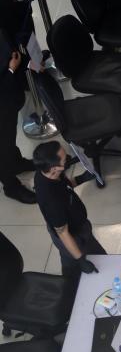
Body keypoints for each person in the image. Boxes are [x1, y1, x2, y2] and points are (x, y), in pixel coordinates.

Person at [32, 141, 106, 284]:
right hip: (72, 235)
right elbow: (63, 233)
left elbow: (64, 186)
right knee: (76, 265)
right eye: (65, 159)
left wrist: (80, 179)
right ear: (54, 168)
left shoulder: (49, 173)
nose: (68, 158)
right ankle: (71, 285)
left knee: (90, 257)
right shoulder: (51, 200)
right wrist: (80, 260)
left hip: (79, 227)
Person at [0, 47, 35, 205]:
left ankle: (16, 163)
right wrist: (11, 70)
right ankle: (10, 186)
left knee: (8, 135)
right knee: (2, 146)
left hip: (6, 98)